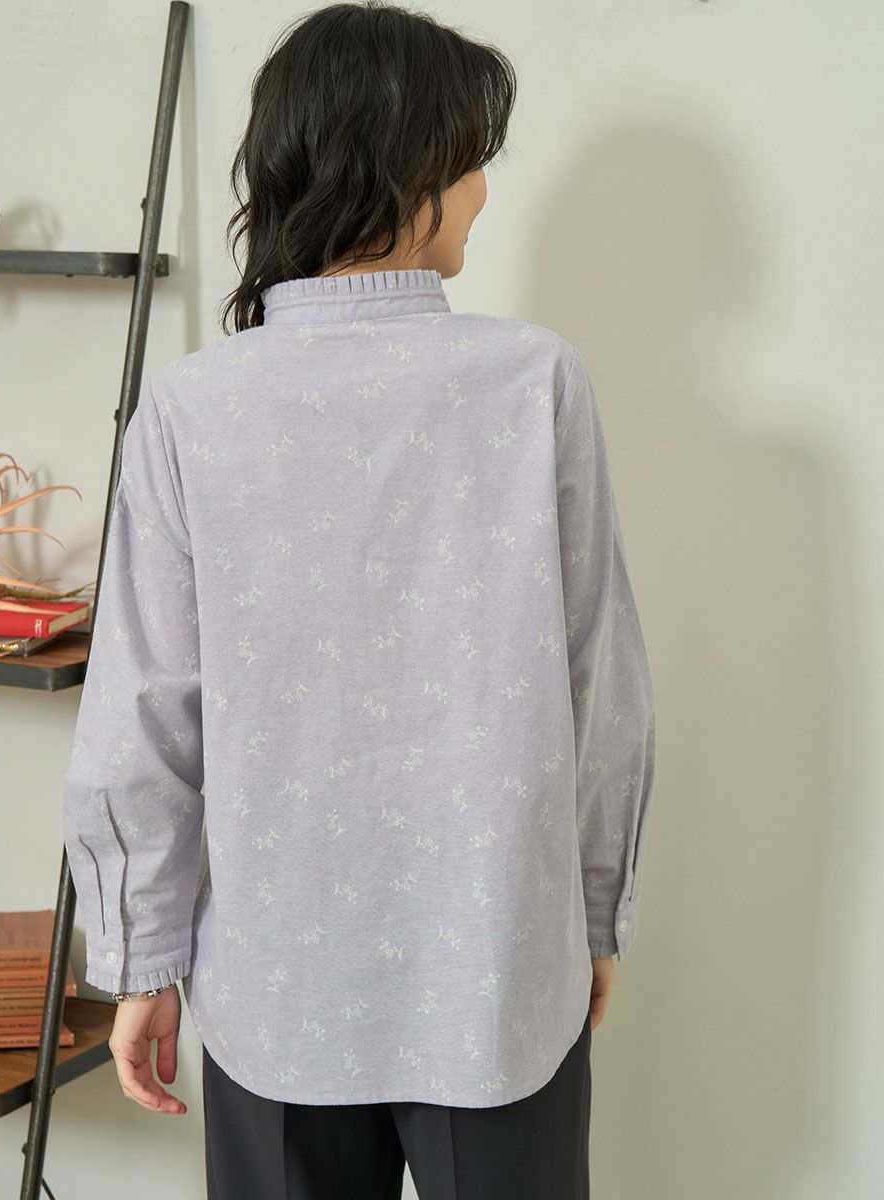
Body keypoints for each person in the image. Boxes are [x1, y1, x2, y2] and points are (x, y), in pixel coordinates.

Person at [61, 2, 657, 1196]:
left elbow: (141, 717)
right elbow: (603, 687)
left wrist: (144, 960)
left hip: (276, 986)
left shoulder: (191, 406)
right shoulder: (534, 381)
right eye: (471, 158)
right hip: (498, 968)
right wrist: (593, 913)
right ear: (412, 168)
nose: (482, 191)